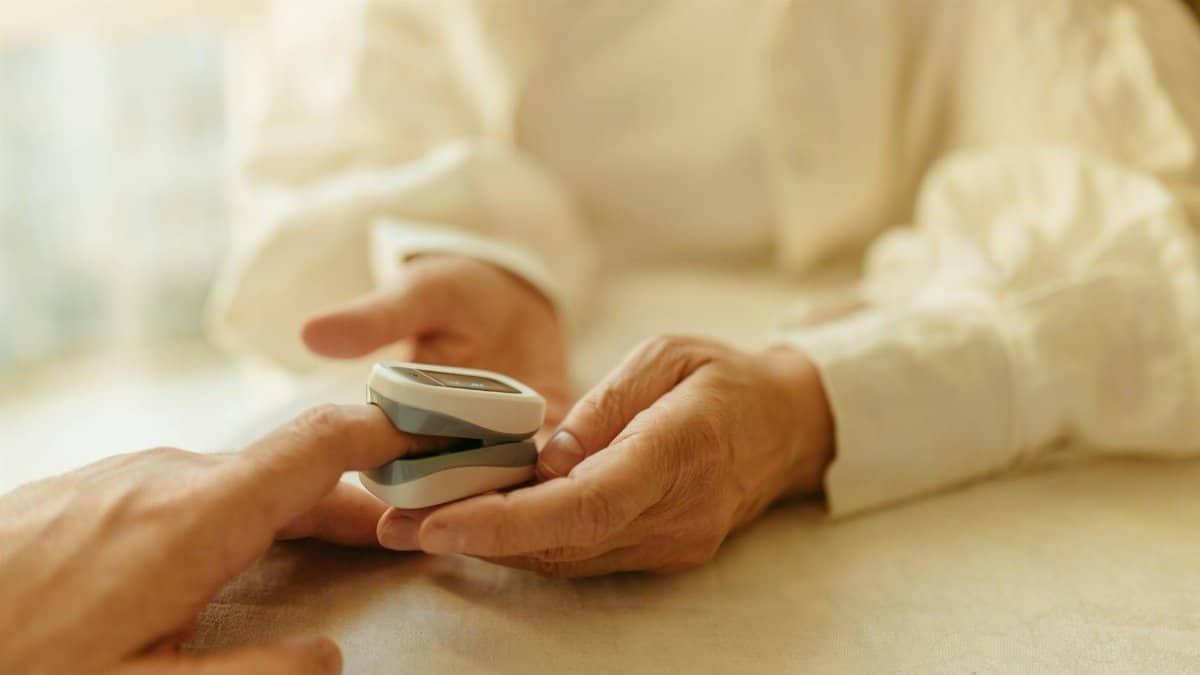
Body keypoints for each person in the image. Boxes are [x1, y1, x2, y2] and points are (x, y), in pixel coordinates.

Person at [2, 0, 1199, 669]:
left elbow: (1151, 245)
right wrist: (464, 255)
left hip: (903, 445)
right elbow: (354, 62)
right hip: (480, 426)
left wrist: (812, 405)